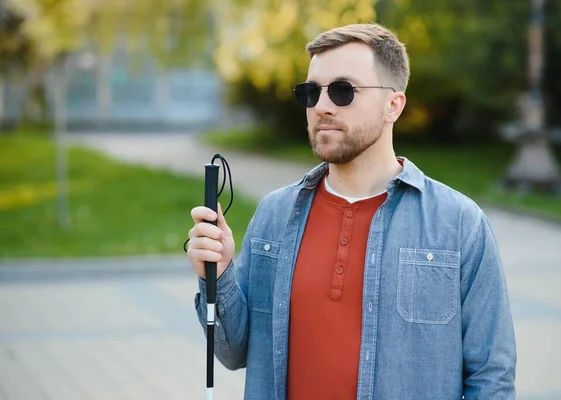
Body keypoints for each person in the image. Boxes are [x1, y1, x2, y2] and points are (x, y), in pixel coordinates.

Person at [187, 23, 516, 400]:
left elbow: (492, 376)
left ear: (394, 104)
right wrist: (220, 272)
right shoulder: (274, 215)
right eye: (311, 92)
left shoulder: (458, 223)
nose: (322, 106)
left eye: (343, 91)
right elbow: (233, 352)